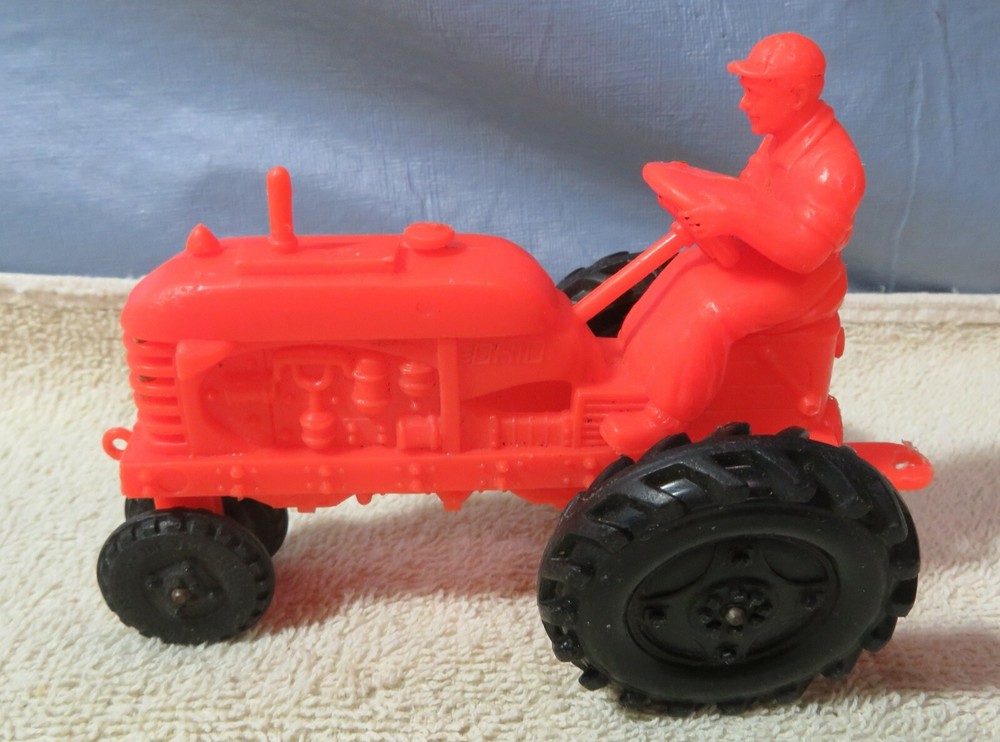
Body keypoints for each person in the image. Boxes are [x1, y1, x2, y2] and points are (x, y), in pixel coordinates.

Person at [601, 32, 866, 455]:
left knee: (709, 311)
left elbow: (807, 251)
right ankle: (629, 360)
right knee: (683, 269)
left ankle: (664, 420)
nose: (744, 104)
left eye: (753, 92)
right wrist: (700, 189)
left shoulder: (834, 167)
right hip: (765, 259)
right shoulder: (779, 140)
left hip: (803, 282)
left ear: (796, 96)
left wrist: (734, 219)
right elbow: (748, 192)